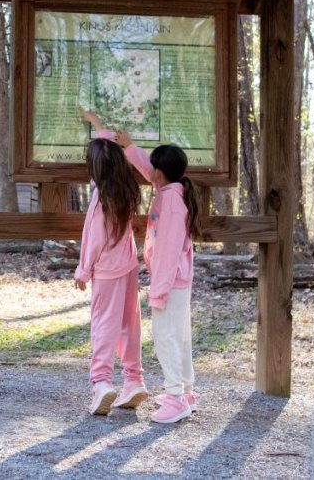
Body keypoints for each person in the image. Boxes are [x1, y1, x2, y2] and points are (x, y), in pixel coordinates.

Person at [81, 110, 199, 424]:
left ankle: (166, 395)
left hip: (154, 282)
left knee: (155, 335)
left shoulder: (167, 203)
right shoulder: (157, 190)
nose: (148, 172)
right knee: (155, 331)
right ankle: (164, 386)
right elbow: (140, 167)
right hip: (149, 274)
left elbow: (167, 252)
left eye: (153, 169)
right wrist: (105, 130)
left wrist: (158, 291)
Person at [73, 115, 147, 416]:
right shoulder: (125, 192)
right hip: (129, 267)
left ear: (95, 171)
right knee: (130, 325)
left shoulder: (100, 201)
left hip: (105, 272)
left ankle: (102, 383)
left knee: (103, 325)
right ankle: (134, 380)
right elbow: (108, 150)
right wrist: (96, 123)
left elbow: (93, 240)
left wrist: (83, 270)